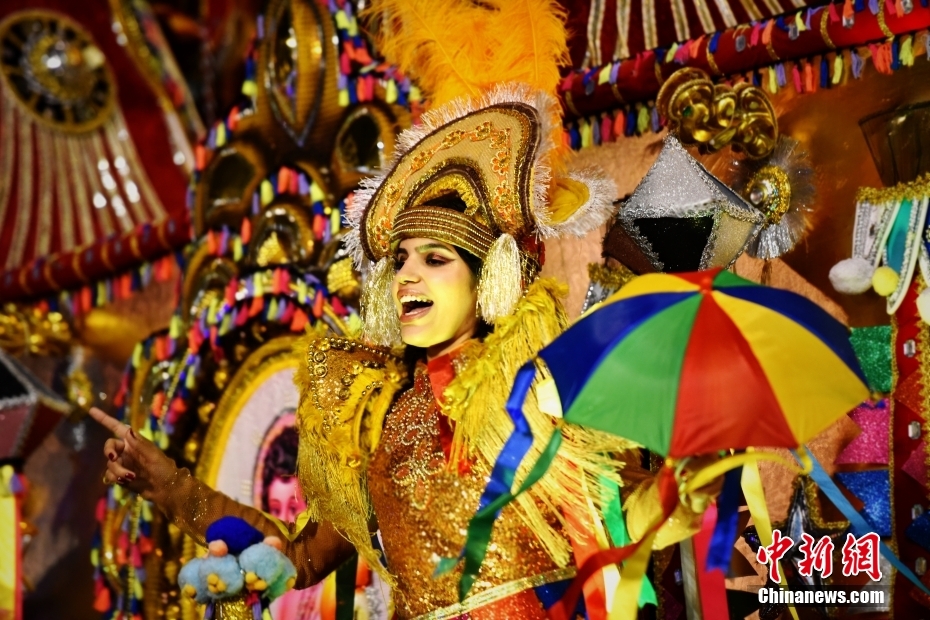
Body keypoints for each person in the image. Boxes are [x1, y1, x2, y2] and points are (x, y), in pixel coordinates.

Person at [89, 2, 721, 617]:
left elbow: (628, 527)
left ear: (488, 279)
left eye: (436, 260)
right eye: (401, 260)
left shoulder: (548, 385)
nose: (407, 276)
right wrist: (169, 487)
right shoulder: (376, 414)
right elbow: (298, 560)